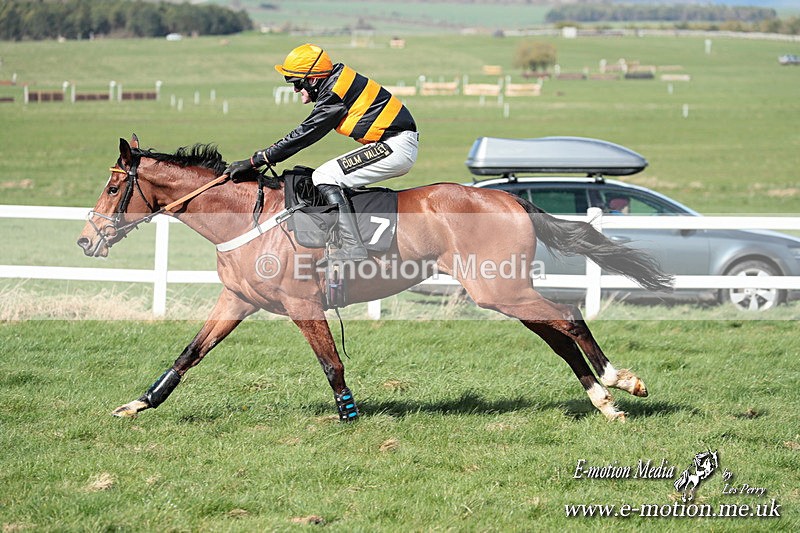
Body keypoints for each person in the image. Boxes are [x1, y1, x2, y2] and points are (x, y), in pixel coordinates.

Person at [225, 43, 418, 262]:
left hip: (395, 146)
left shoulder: (335, 93)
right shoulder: (335, 82)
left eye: (296, 83)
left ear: (313, 79)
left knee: (324, 176)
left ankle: (353, 246)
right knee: (332, 177)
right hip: (391, 142)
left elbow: (305, 134)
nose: (296, 90)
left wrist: (258, 159)